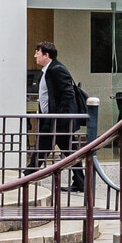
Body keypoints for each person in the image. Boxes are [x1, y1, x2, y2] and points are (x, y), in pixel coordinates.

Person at [32, 42, 81, 183]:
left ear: (46, 55)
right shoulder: (48, 70)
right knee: (70, 151)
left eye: (38, 52)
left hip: (57, 120)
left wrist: (58, 115)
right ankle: (80, 181)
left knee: (43, 148)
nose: (35, 55)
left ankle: (27, 176)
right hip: (53, 119)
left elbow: (68, 93)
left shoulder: (56, 69)